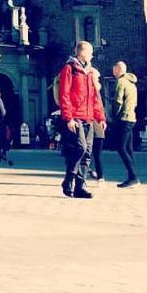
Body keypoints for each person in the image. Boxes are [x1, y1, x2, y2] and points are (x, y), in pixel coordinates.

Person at [57, 40, 105, 199]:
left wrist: (100, 117)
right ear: (81, 52)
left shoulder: (90, 72)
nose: (92, 55)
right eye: (90, 52)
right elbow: (63, 94)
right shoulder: (69, 69)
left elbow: (95, 97)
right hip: (75, 116)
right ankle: (69, 178)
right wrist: (68, 117)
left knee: (88, 153)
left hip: (89, 117)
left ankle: (80, 186)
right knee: (80, 147)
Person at [110, 61, 139, 188]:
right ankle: (133, 176)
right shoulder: (132, 84)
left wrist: (113, 115)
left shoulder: (120, 82)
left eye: (114, 69)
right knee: (128, 148)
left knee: (120, 147)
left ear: (118, 69)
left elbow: (117, 102)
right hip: (131, 117)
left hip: (123, 118)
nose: (113, 71)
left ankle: (133, 176)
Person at [89, 67, 106, 184]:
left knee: (87, 152)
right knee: (96, 153)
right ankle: (100, 177)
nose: (99, 81)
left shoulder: (93, 90)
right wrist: (102, 119)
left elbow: (98, 106)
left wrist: (101, 119)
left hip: (94, 124)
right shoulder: (94, 90)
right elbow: (99, 106)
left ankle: (98, 175)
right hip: (96, 124)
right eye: (97, 78)